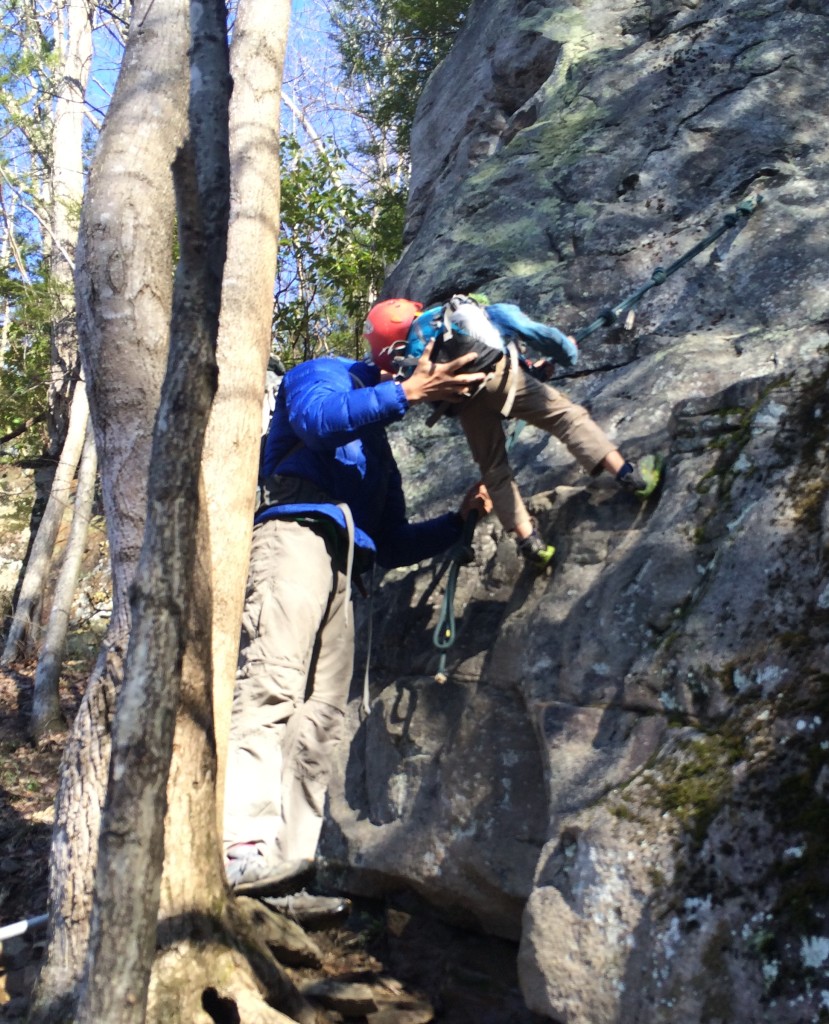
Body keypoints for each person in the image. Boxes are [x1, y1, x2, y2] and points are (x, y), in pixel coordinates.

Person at [224, 318, 492, 893]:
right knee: (271, 683)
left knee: (320, 715)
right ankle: (239, 844)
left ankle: (287, 869)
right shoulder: (325, 373)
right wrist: (407, 393)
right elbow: (316, 423)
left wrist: (459, 520)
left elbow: (392, 541)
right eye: (417, 353)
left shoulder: (379, 453)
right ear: (394, 351)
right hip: (295, 534)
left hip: (348, 565)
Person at [363, 295, 662, 570]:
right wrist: (568, 351)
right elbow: (531, 332)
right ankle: (628, 475)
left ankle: (529, 541)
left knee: (494, 470)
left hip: (468, 405)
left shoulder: (414, 358)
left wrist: (531, 369)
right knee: (566, 418)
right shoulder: (474, 315)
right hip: (502, 377)